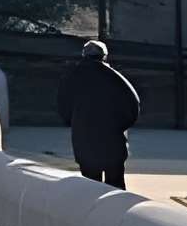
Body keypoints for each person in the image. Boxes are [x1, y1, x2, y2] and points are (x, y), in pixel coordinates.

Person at [57, 38, 142, 188]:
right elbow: (133, 105)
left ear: (84, 55)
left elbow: (63, 105)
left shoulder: (72, 77)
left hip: (84, 138)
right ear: (104, 56)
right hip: (112, 139)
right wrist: (119, 126)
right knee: (115, 186)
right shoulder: (115, 78)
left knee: (91, 187)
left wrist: (74, 122)